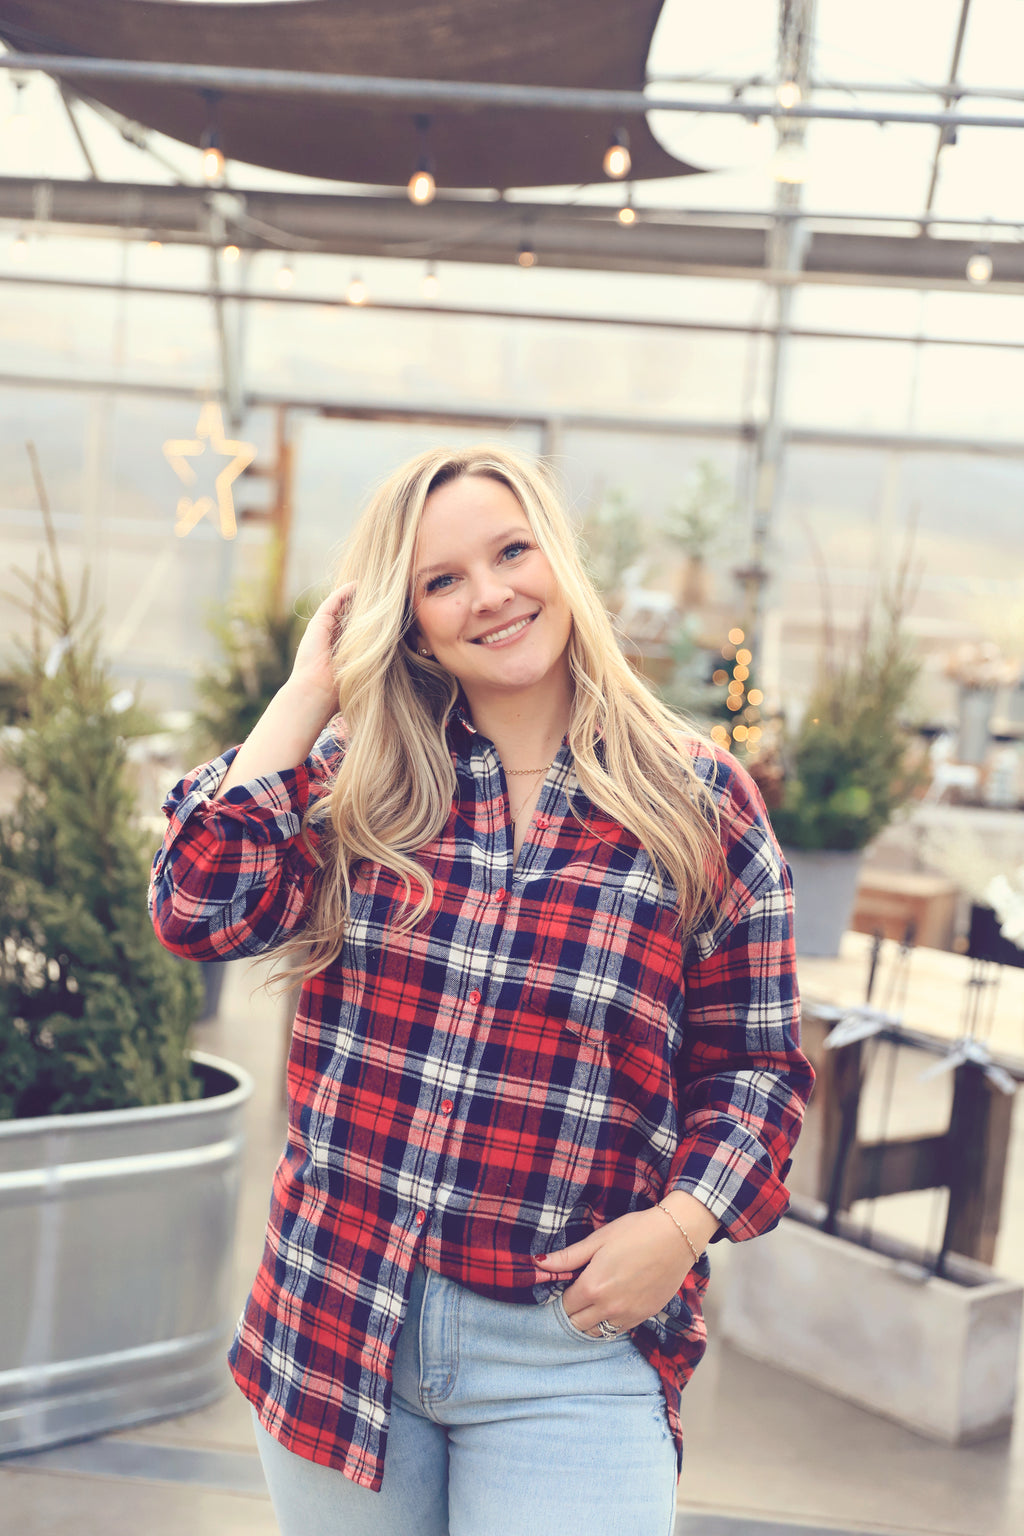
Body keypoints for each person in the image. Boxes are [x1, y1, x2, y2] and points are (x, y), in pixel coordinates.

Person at [150, 445, 813, 1536]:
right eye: (442, 580)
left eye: (512, 552)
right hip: (335, 1318)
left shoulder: (694, 799)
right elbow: (196, 904)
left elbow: (758, 1067)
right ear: (409, 623)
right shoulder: (361, 779)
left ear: (560, 557)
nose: (491, 595)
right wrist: (310, 691)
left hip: (568, 1348)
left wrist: (681, 1226)